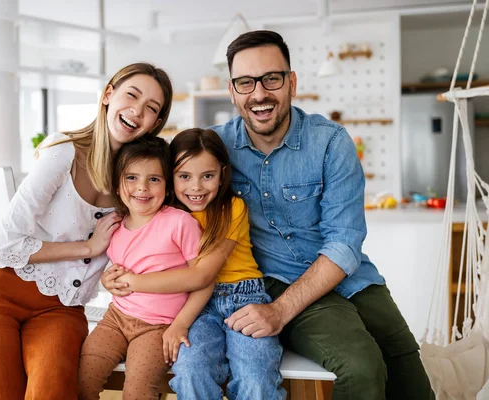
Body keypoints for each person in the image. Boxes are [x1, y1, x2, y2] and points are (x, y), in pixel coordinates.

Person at [211, 30, 434, 399]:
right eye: (245, 82)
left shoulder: (330, 141)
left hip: (351, 277)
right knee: (361, 368)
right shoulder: (214, 148)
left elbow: (345, 241)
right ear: (232, 91)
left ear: (291, 82)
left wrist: (280, 312)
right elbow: (152, 183)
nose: (260, 93)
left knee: (411, 377)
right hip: (277, 279)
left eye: (272, 79)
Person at [0, 62, 173, 400]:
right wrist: (87, 248)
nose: (137, 110)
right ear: (107, 95)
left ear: (156, 124)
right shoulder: (64, 152)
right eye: (131, 95)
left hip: (61, 309)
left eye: (151, 108)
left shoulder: (140, 184)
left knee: (54, 392)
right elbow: (5, 244)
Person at [103, 128, 286, 400]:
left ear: (223, 173)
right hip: (194, 308)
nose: (196, 187)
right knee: (190, 370)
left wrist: (132, 284)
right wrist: (109, 277)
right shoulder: (164, 216)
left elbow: (203, 275)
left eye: (208, 176)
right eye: (184, 176)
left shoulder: (231, 209)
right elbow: (136, 255)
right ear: (169, 178)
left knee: (255, 376)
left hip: (243, 299)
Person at [77, 136, 203, 400]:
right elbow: (110, 271)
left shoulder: (180, 223)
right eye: (131, 178)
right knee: (81, 379)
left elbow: (204, 279)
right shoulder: (113, 224)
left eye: (154, 179)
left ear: (167, 185)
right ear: (117, 183)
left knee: (137, 392)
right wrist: (105, 280)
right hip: (115, 319)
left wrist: (181, 324)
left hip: (158, 326)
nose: (142, 188)